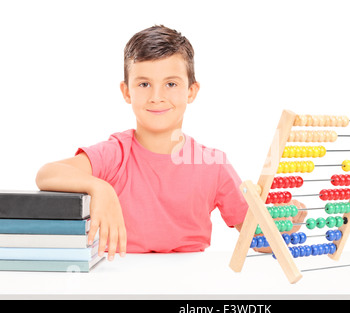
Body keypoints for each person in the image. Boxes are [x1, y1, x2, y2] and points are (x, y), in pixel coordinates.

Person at [35, 25, 249, 261]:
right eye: (144, 84)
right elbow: (47, 174)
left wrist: (287, 224)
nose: (157, 96)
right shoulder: (115, 155)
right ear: (127, 92)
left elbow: (257, 237)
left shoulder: (213, 165)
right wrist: (100, 187)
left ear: (191, 91)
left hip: (191, 281)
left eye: (171, 84)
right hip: (118, 280)